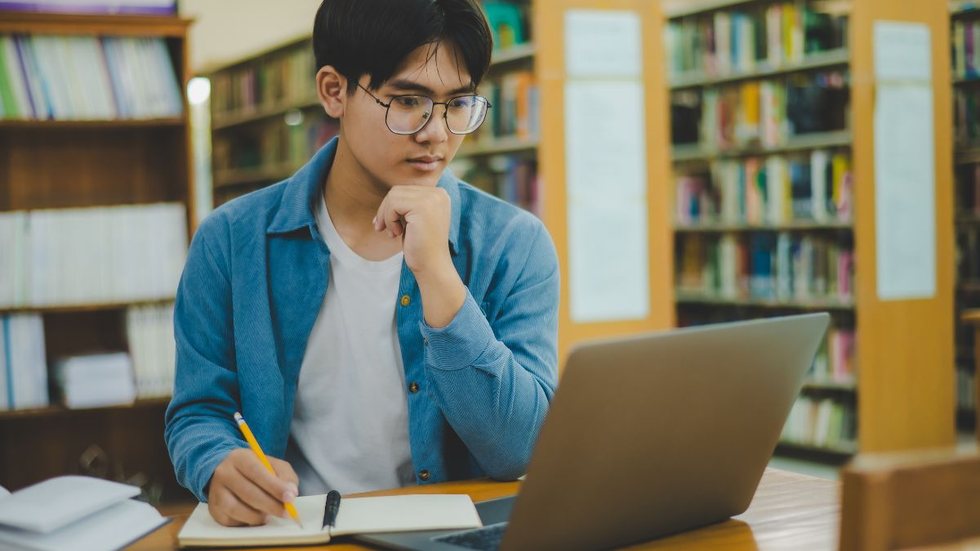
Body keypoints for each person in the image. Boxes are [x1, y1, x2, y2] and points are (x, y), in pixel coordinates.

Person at [165, 0, 559, 528]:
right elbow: (199, 411)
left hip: (450, 538)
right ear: (334, 91)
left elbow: (523, 448)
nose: (437, 134)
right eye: (407, 100)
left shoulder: (514, 243)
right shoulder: (230, 242)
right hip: (294, 532)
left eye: (458, 102)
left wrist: (439, 278)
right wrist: (216, 464)